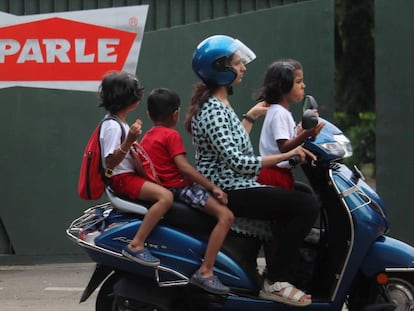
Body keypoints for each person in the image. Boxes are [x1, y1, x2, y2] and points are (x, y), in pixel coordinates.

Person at [185, 35, 319, 307]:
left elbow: (235, 146)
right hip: (228, 188)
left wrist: (250, 117)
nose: (243, 67)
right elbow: (239, 162)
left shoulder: (220, 104)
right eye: (237, 63)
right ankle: (277, 279)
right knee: (305, 205)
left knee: (301, 192)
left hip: (235, 182)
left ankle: (284, 266)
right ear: (221, 69)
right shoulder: (213, 110)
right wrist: (287, 154)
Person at [139, 87, 234, 295]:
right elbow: (184, 167)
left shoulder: (147, 137)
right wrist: (213, 187)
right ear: (175, 114)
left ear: (149, 114)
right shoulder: (170, 135)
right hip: (180, 189)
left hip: (165, 188)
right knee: (226, 216)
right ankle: (206, 271)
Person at [98, 71, 173, 267]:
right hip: (122, 179)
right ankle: (136, 244)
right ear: (128, 99)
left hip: (127, 176)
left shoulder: (119, 123)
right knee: (165, 197)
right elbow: (111, 162)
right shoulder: (113, 126)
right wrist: (129, 140)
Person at [257, 59, 325, 190]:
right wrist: (307, 133)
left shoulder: (280, 111)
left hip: (278, 173)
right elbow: (284, 147)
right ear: (284, 86)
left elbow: (288, 140)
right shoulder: (279, 113)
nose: (303, 86)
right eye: (298, 82)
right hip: (274, 175)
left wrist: (301, 130)